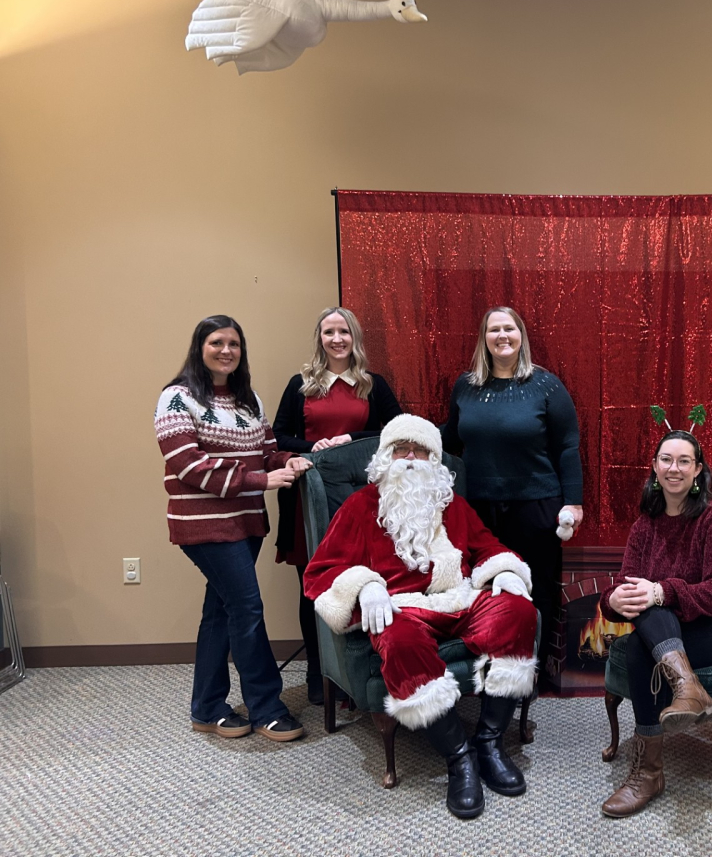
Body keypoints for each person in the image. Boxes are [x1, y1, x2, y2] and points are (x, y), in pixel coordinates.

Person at [304, 415, 538, 819]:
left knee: (519, 611)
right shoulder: (361, 507)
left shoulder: (453, 505)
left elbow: (486, 547)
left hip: (460, 599)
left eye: (421, 451)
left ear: (435, 460)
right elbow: (320, 572)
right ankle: (459, 758)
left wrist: (504, 572)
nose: (410, 459)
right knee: (398, 640)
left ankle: (488, 742)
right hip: (402, 608)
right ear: (385, 458)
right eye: (401, 450)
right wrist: (364, 585)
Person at [153, 315, 309, 743]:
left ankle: (206, 707)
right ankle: (266, 707)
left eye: (234, 344)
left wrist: (286, 463)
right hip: (204, 525)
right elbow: (188, 465)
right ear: (199, 347)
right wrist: (260, 480)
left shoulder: (248, 399)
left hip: (246, 522)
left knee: (220, 611)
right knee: (247, 609)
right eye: (216, 342)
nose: (226, 350)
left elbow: (268, 451)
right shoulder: (176, 398)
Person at [597, 430, 712, 818]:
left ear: (698, 470)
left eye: (684, 461)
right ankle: (687, 690)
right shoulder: (646, 524)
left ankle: (648, 771)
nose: (674, 468)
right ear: (654, 468)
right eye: (666, 460)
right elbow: (629, 585)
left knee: (646, 630)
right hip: (677, 625)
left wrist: (661, 593)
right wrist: (613, 600)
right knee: (645, 611)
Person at [272, 306, 402, 704]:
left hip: (363, 503)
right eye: (329, 332)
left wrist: (352, 439)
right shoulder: (301, 384)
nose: (336, 339)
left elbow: (396, 430)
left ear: (354, 338)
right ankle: (318, 672)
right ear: (320, 338)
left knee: (365, 582)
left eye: (343, 332)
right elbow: (278, 437)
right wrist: (314, 447)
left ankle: (358, 671)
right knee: (312, 589)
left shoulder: (371, 384)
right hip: (308, 503)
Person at [442, 306, 582, 675]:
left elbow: (568, 446)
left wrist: (574, 502)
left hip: (536, 506)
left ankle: (533, 670)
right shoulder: (466, 386)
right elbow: (450, 438)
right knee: (484, 587)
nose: (502, 336)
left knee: (536, 589)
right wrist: (404, 440)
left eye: (509, 329)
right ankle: (492, 664)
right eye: (494, 330)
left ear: (521, 336)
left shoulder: (546, 385)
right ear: (483, 340)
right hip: (478, 509)